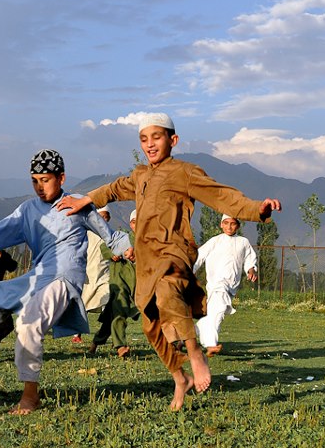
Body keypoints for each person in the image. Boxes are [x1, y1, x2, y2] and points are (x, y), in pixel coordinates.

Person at [58, 113, 281, 410]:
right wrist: (86, 200)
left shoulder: (184, 172)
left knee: (167, 291)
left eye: (157, 137)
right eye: (144, 139)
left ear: (173, 140)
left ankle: (195, 353)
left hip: (174, 252)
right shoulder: (140, 176)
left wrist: (257, 209)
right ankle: (180, 377)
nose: (150, 144)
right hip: (147, 259)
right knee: (151, 324)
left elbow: (221, 196)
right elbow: (114, 189)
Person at [0, 149, 133, 414]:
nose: (39, 187)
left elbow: (109, 235)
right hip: (38, 276)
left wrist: (125, 248)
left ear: (61, 177)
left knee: (29, 321)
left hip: (64, 278)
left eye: (45, 180)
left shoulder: (77, 204)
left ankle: (30, 396)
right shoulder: (28, 211)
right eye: (34, 181)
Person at [193, 215, 257, 357]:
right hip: (217, 284)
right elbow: (199, 257)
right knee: (219, 310)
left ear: (238, 226)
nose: (229, 227)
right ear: (221, 224)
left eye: (233, 224)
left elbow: (249, 259)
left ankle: (185, 336)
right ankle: (211, 344)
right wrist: (189, 273)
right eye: (226, 223)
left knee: (216, 316)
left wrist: (251, 270)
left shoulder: (243, 242)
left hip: (231, 287)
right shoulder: (215, 241)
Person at [89, 209, 139, 357]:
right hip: (120, 282)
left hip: (138, 286)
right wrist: (113, 255)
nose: (138, 225)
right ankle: (120, 346)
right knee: (119, 313)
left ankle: (95, 343)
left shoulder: (148, 241)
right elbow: (105, 246)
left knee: (110, 319)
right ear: (131, 224)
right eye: (135, 222)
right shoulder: (122, 238)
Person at [72, 206, 113, 344]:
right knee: (84, 304)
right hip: (88, 275)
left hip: (104, 274)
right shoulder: (87, 234)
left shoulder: (111, 235)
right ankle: (77, 334)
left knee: (109, 301)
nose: (103, 219)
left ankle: (105, 332)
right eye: (100, 216)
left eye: (106, 216)